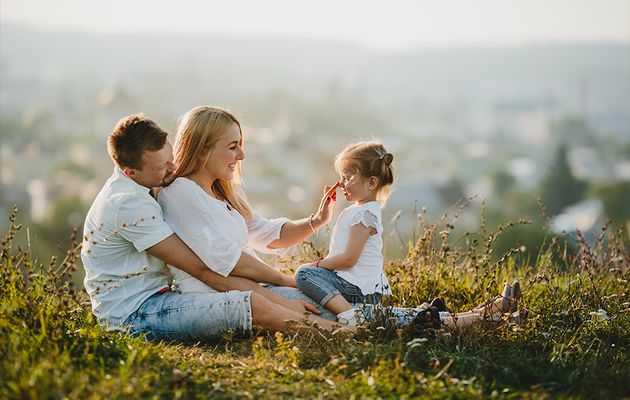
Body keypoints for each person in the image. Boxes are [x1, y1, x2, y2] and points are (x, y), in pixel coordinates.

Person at [157, 105, 524, 332]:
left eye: (241, 143)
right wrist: (290, 281)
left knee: (349, 311)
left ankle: (470, 319)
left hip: (256, 289)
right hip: (222, 299)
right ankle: (473, 320)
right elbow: (224, 263)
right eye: (233, 146)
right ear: (203, 148)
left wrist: (316, 221)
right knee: (346, 313)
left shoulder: (220, 193)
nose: (242, 155)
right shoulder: (181, 194)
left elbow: (265, 234)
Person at [81, 113, 346, 342]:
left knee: (305, 297)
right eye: (163, 166)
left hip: (162, 297)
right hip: (134, 313)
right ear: (130, 172)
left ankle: (358, 322)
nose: (172, 168)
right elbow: (200, 268)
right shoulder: (128, 204)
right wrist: (282, 289)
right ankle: (344, 335)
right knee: (250, 304)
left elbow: (260, 232)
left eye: (171, 157)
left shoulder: (146, 186)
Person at [294, 141, 393, 326]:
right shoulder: (361, 210)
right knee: (305, 274)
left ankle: (350, 314)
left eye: (347, 178)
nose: (340, 183)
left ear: (372, 182)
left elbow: (349, 259)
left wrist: (316, 264)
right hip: (354, 284)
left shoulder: (365, 214)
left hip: (359, 290)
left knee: (304, 274)